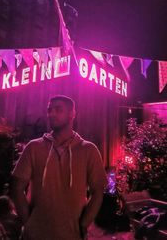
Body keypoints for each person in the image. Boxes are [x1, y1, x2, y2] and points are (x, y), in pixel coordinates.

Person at [11, 95, 108, 240]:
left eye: (58, 110)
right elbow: (17, 187)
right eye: (49, 110)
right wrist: (28, 222)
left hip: (72, 235)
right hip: (35, 235)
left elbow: (98, 192)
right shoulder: (34, 147)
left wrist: (83, 225)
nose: (51, 114)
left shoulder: (88, 150)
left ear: (72, 114)